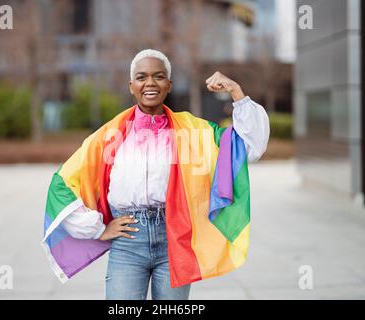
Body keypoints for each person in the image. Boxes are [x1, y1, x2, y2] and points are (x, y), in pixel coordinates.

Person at [42, 49, 270, 300]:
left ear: (169, 85)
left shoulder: (194, 132)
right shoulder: (109, 136)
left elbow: (247, 147)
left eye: (159, 76)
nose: (150, 83)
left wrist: (236, 92)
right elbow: (62, 182)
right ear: (131, 86)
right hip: (128, 241)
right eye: (142, 77)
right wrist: (98, 229)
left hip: (175, 238)